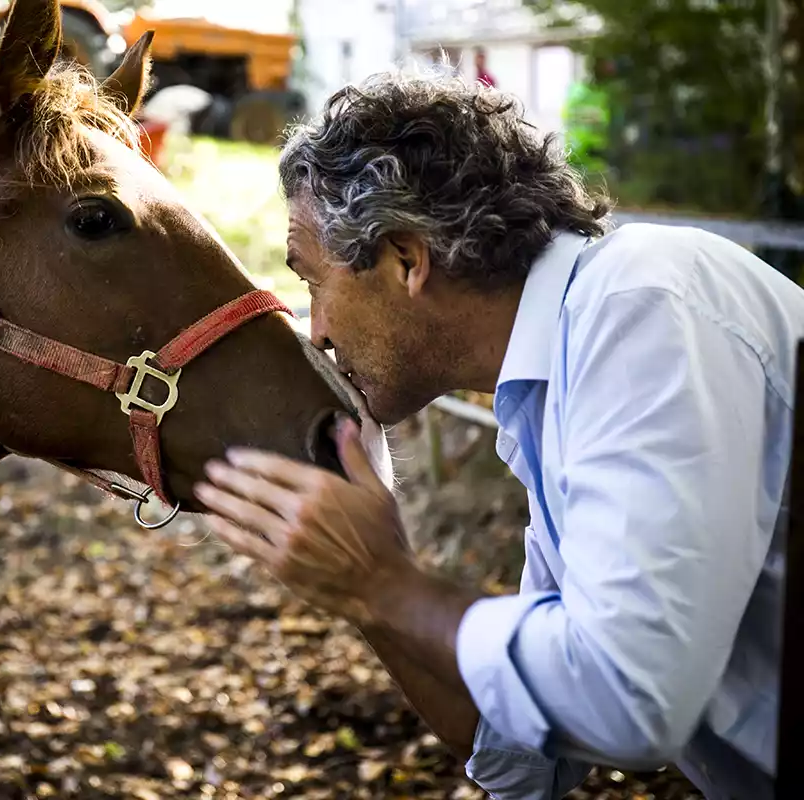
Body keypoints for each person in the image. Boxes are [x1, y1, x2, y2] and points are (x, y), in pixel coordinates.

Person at [194, 68, 803, 800]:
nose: (316, 331)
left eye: (312, 281)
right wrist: (355, 586)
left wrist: (385, 583)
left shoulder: (647, 304)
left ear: (406, 259)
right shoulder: (549, 389)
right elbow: (522, 756)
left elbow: (627, 701)